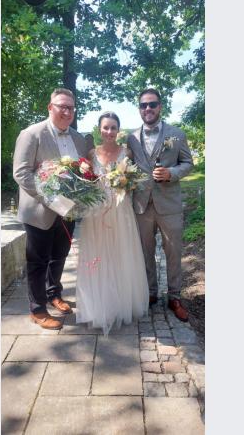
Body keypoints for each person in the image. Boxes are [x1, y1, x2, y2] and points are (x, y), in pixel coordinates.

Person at [12, 88, 93, 330]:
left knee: (60, 254)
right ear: (50, 107)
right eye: (61, 106)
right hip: (39, 210)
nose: (67, 111)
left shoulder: (79, 139)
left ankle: (53, 293)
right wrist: (52, 199)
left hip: (68, 211)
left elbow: (84, 173)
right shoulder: (31, 134)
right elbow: (21, 173)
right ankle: (37, 309)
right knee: (38, 260)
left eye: (70, 107)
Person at [75, 112, 149, 335]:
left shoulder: (127, 152)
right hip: (96, 212)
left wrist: (126, 183)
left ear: (118, 130)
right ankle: (99, 305)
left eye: (113, 128)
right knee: (97, 255)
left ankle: (122, 303)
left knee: (120, 254)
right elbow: (87, 182)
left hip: (120, 211)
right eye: (105, 127)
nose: (109, 132)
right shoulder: (90, 153)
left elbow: (133, 181)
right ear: (99, 129)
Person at [126, 88, 194, 322]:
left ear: (160, 106)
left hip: (169, 204)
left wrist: (172, 173)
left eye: (152, 104)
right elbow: (127, 167)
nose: (148, 109)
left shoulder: (176, 134)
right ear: (139, 108)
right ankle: (151, 293)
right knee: (144, 252)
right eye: (143, 105)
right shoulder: (131, 137)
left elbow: (188, 163)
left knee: (173, 252)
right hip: (142, 205)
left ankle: (174, 296)